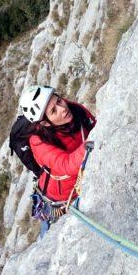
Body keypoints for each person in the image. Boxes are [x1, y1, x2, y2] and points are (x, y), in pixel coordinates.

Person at [17, 85, 96, 236]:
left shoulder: (76, 110)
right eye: (54, 111)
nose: (62, 108)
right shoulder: (38, 142)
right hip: (57, 201)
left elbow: (93, 126)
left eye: (59, 101)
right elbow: (65, 165)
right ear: (45, 123)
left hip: (79, 186)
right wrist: (87, 147)